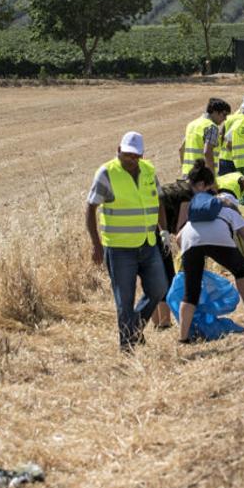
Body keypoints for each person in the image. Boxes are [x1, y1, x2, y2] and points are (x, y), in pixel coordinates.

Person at [85, 131, 169, 352]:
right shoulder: (106, 173)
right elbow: (91, 207)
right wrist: (96, 244)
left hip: (148, 243)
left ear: (141, 156)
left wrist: (165, 232)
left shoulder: (149, 171)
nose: (130, 159)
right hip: (119, 248)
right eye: (126, 154)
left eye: (134, 156)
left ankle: (133, 330)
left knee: (159, 289)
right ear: (118, 150)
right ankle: (127, 346)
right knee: (125, 300)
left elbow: (159, 201)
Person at [174, 161, 244, 343]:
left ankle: (184, 338)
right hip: (219, 237)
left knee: (190, 293)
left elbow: (179, 238)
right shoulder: (227, 208)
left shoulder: (192, 211)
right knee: (240, 271)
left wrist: (191, 259)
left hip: (189, 239)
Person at [179, 98, 231, 175]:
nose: (225, 118)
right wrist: (212, 177)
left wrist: (185, 169)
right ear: (215, 112)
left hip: (188, 174)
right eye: (224, 114)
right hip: (203, 178)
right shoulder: (212, 127)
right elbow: (207, 152)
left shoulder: (191, 125)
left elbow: (181, 149)